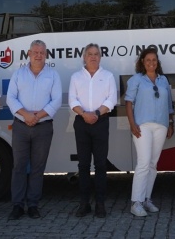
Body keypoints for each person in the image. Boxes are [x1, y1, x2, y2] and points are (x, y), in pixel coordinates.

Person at [6, 40, 62, 221]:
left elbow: (57, 101)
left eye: (42, 52)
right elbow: (11, 98)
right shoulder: (18, 74)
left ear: (46, 55)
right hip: (21, 126)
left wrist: (37, 116)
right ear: (28, 54)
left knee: (38, 168)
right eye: (35, 52)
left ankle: (33, 205)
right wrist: (26, 115)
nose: (39, 55)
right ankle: (17, 206)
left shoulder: (53, 75)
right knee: (19, 167)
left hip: (43, 127)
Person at [69, 43, 117, 218]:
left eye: (96, 54)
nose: (93, 57)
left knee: (101, 164)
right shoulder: (76, 77)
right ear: (84, 56)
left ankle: (100, 204)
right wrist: (85, 114)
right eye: (90, 54)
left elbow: (111, 99)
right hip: (81, 123)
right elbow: (72, 100)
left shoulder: (108, 76)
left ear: (100, 57)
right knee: (83, 165)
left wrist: (96, 113)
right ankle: (84, 204)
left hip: (101, 122)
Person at [125, 47, 174, 217]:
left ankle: (146, 199)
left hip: (161, 125)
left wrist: (170, 123)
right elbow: (129, 103)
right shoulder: (136, 80)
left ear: (157, 62)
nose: (151, 63)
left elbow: (169, 105)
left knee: (153, 164)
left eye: (154, 60)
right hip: (142, 126)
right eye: (148, 60)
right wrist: (132, 124)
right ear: (142, 62)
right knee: (144, 162)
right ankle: (135, 202)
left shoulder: (163, 80)